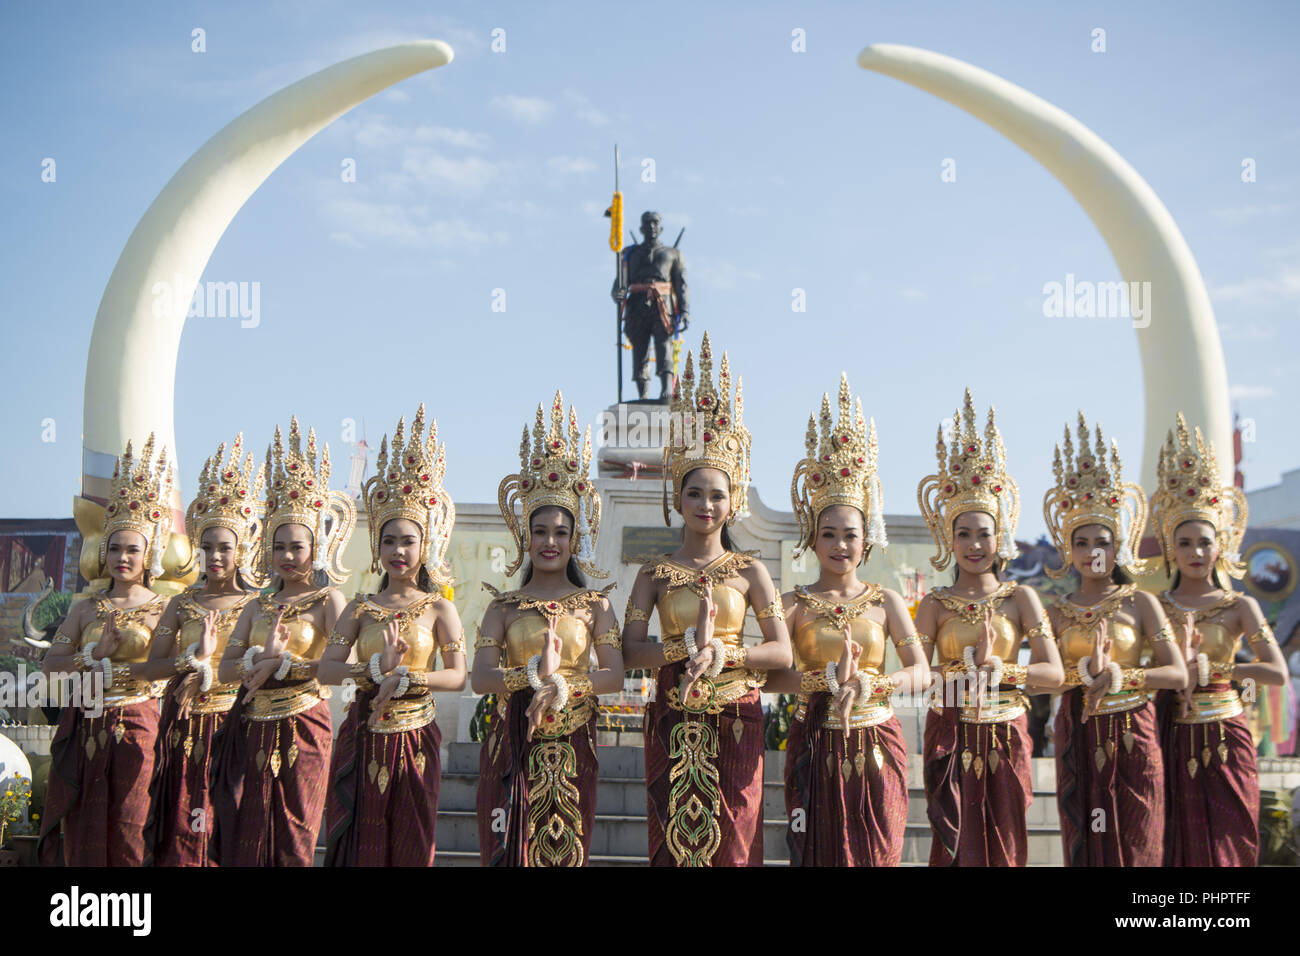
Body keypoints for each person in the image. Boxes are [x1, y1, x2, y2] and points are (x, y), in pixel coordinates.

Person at [622, 333, 793, 866]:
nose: (706, 503)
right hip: (671, 710)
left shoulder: (749, 571)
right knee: (672, 836)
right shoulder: (654, 573)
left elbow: (782, 652)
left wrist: (727, 653)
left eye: (717, 494)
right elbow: (629, 650)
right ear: (678, 498)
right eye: (694, 492)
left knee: (735, 837)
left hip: (737, 713)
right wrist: (679, 654)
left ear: (732, 501)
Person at [768, 374, 929, 866]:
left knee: (877, 853)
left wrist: (874, 683)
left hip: (877, 740)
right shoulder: (791, 602)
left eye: (850, 535)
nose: (841, 545)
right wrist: (824, 679)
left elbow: (923, 672)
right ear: (812, 539)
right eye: (829, 534)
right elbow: (770, 675)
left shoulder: (887, 601)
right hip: (815, 743)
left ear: (867, 540)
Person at [913, 390, 1064, 866]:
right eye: (964, 533)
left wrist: (1005, 672)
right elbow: (917, 676)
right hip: (952, 731)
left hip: (1006, 733)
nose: (975, 544)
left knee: (1004, 847)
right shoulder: (934, 605)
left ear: (1002, 537)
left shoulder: (1021, 598)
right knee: (954, 846)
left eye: (985, 533)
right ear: (947, 537)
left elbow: (1055, 675)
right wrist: (958, 675)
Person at [472, 394, 623, 866]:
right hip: (512, 737)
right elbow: (480, 678)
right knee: (507, 846)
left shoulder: (595, 604)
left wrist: (562, 682)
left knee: (567, 851)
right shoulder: (504, 606)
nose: (550, 541)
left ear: (576, 538)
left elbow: (614, 676)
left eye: (561, 532)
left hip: (575, 742)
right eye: (540, 531)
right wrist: (533, 677)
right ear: (526, 536)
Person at [319, 406, 466, 866]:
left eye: (408, 541)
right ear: (377, 547)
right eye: (389, 541)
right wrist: (373, 670)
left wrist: (406, 677)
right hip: (363, 733)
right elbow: (326, 668)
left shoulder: (440, 607)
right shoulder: (361, 607)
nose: (398, 551)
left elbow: (459, 676)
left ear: (426, 546)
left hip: (416, 735)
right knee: (359, 840)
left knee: (410, 842)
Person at [209, 418, 355, 866]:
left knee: (295, 834)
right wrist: (259, 658)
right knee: (247, 831)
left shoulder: (330, 599)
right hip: (253, 722)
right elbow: (224, 669)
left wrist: (287, 664)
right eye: (279, 547)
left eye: (298, 546)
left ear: (318, 548)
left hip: (304, 723)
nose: (288, 557)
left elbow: (341, 667)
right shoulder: (256, 605)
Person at [1040, 414, 1184, 866]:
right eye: (1081, 543)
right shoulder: (1055, 612)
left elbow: (1177, 673)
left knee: (1139, 838)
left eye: (1101, 542)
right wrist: (1081, 675)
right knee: (1084, 834)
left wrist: (1123, 674)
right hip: (1078, 733)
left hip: (1133, 733)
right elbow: (1044, 679)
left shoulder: (1141, 603)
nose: (1091, 552)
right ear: (1069, 549)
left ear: (1116, 546)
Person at [1150, 414, 1288, 866]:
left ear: (1220, 546)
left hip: (1226, 730)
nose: (1195, 552)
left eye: (1204, 542)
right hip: (1168, 731)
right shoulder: (1156, 607)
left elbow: (1276, 672)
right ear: (1171, 547)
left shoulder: (1239, 606)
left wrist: (1219, 670)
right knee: (1170, 840)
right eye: (1185, 542)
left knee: (1229, 840)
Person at [38, 436, 172, 865]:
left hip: (141, 721)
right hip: (87, 724)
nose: (122, 557)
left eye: (133, 549)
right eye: (114, 547)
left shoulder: (164, 608)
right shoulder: (85, 608)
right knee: (84, 828)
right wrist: (92, 654)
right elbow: (50, 665)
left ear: (148, 554)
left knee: (133, 826)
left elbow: (170, 668)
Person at [142, 435, 263, 865]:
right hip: (185, 723)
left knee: (228, 826)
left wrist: (216, 670)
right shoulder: (181, 603)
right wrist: (190, 660)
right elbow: (149, 668)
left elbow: (261, 666)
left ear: (242, 548)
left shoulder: (257, 604)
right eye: (207, 546)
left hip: (236, 727)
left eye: (224, 547)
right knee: (178, 826)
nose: (214, 556)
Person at [612, 210, 689, 400]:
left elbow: (681, 285)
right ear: (641, 228)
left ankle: (666, 390)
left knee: (664, 345)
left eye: (655, 223)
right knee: (640, 347)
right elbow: (620, 283)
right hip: (637, 304)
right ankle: (643, 392)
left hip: (663, 305)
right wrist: (618, 293)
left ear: (661, 228)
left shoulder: (672, 254)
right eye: (647, 223)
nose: (651, 227)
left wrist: (685, 310)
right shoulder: (631, 254)